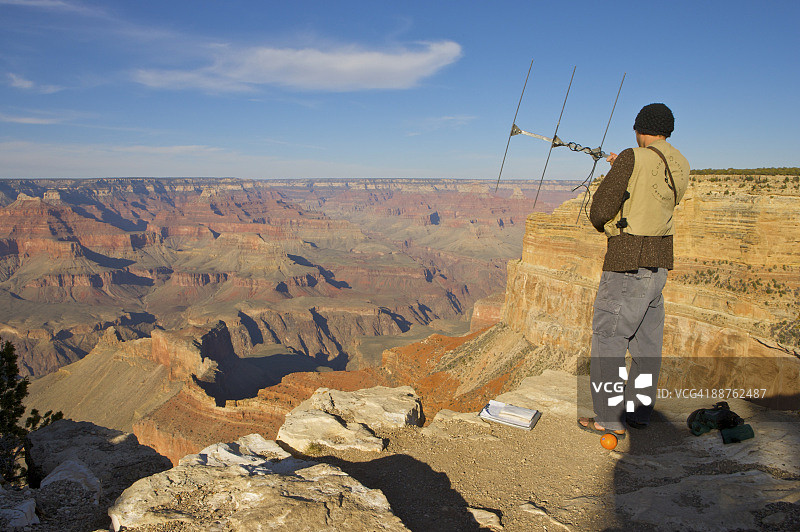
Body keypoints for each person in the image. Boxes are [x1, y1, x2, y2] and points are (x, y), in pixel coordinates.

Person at [577, 103, 690, 438]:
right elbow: (655, 199)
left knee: (609, 338)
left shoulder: (632, 157)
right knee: (646, 345)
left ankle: (609, 419)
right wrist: (625, 170)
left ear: (640, 129)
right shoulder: (681, 163)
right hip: (660, 262)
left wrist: (619, 170)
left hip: (628, 260)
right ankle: (639, 414)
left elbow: (600, 211)